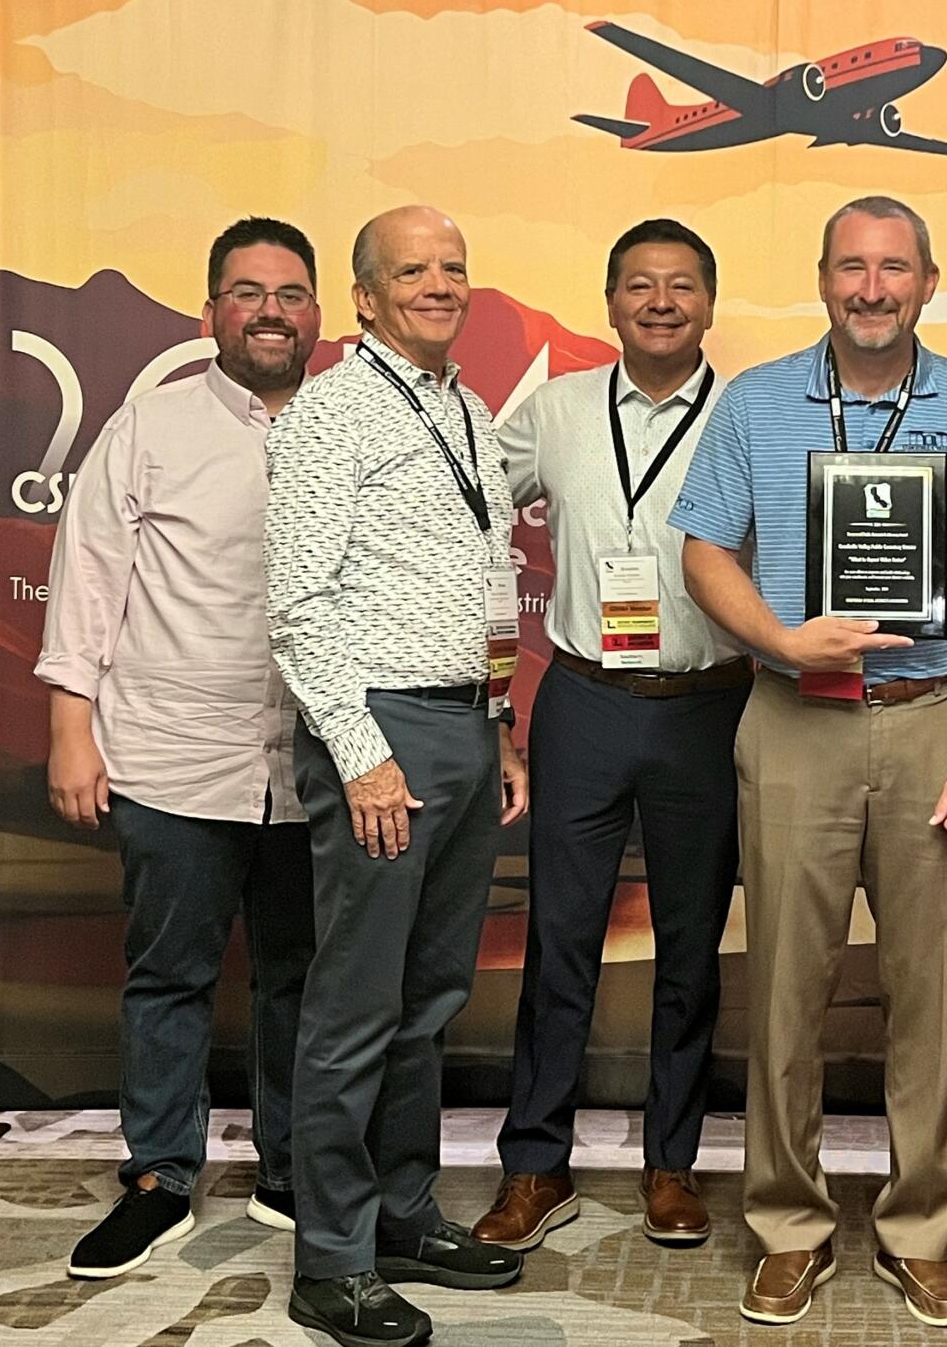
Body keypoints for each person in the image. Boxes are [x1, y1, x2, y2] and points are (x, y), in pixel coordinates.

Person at [672, 195, 947, 1330]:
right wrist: (780, 638)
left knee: (931, 1000)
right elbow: (700, 549)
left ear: (929, 282)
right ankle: (788, 1227)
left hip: (936, 719)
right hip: (794, 718)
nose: (870, 288)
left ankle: (920, 1229)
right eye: (850, 268)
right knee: (786, 988)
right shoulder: (761, 401)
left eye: (894, 269)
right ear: (822, 279)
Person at [37, 216, 323, 1280]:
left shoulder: (351, 425)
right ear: (212, 313)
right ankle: (161, 1174)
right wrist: (73, 730)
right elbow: (90, 577)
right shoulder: (149, 426)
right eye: (247, 293)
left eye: (289, 294)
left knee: (300, 976)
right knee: (169, 976)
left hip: (317, 765)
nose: (269, 312)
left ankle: (294, 1168)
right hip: (170, 754)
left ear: (319, 316)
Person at [266, 205, 528, 1347]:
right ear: (364, 298)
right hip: (379, 733)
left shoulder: (464, 409)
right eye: (412, 269)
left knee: (428, 1000)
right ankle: (331, 1260)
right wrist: (362, 755)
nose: (440, 284)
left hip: (464, 730)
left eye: (454, 267)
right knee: (356, 1003)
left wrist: (502, 726)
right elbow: (297, 603)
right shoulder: (332, 412)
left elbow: (484, 582)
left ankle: (404, 1213)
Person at [475, 219, 751, 1251]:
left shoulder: (749, 416)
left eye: (682, 285)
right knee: (560, 940)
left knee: (689, 947)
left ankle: (671, 1165)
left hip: (708, 705)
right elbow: (464, 513)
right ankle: (534, 1167)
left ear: (709, 304)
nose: (662, 301)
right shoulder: (555, 411)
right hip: (584, 702)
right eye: (640, 285)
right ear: (611, 302)